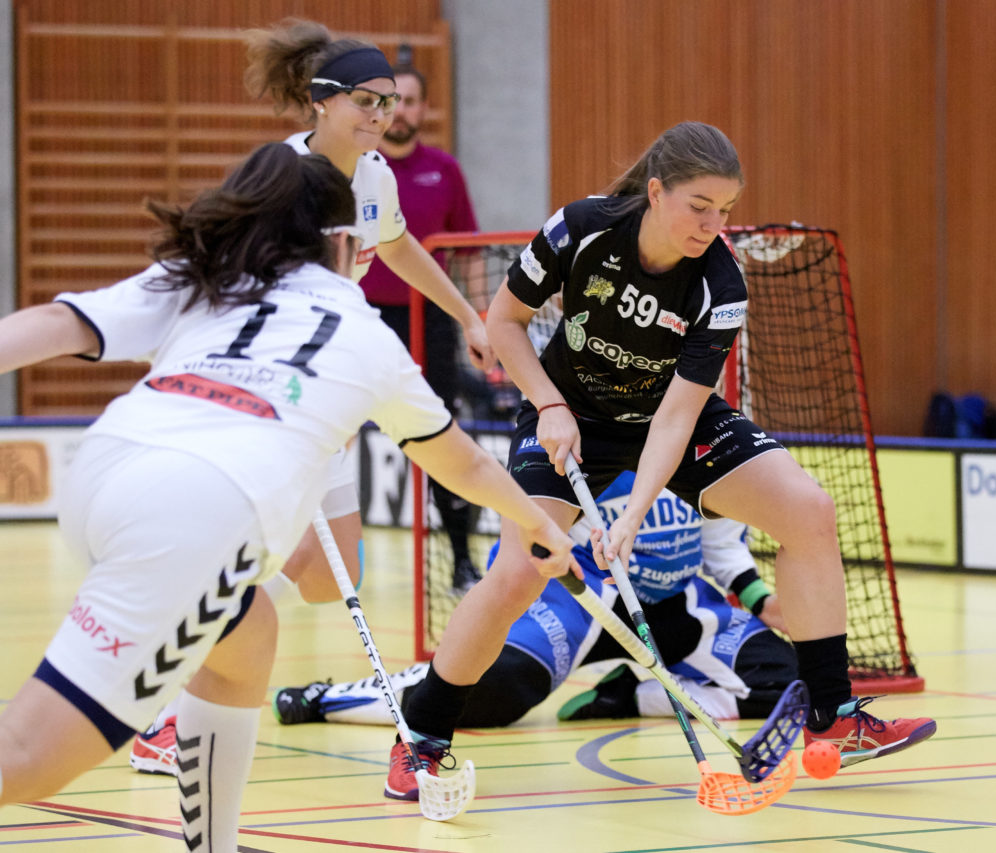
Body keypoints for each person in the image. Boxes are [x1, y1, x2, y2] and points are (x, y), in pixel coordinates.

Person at [0, 142, 572, 852]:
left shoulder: (210, 275)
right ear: (341, 242)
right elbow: (464, 465)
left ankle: (211, 843)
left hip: (103, 470)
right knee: (27, 755)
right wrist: (541, 523)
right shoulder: (364, 332)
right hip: (191, 518)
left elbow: (57, 324)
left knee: (246, 632)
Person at [389, 120, 936, 795]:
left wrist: (632, 514)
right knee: (517, 573)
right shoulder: (580, 230)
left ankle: (831, 716)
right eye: (699, 207)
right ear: (656, 191)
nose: (712, 224)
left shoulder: (721, 284)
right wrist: (549, 404)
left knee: (807, 509)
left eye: (725, 210)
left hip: (662, 416)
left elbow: (678, 415)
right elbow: (503, 321)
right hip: (568, 411)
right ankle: (422, 736)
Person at [127, 19, 494, 773]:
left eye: (388, 103)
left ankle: (217, 592)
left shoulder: (376, 175)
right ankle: (165, 713)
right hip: (270, 392)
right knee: (250, 559)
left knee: (330, 575)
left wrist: (466, 314)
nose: (380, 116)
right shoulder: (277, 177)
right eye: (365, 100)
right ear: (320, 102)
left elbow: (395, 244)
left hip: (327, 388)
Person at [272, 474, 801, 801]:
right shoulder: (585, 425)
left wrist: (764, 603)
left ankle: (625, 694)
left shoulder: (695, 428)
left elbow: (723, 546)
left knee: (782, 679)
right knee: (491, 689)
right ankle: (333, 698)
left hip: (674, 603)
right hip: (577, 598)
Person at [363, 58, 484, 592]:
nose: (403, 111)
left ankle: (459, 559)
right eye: (394, 101)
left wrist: (479, 321)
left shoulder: (445, 169)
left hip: (430, 320)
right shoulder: (359, 167)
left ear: (425, 108)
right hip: (364, 319)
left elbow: (471, 253)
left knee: (444, 430)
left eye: (412, 101)